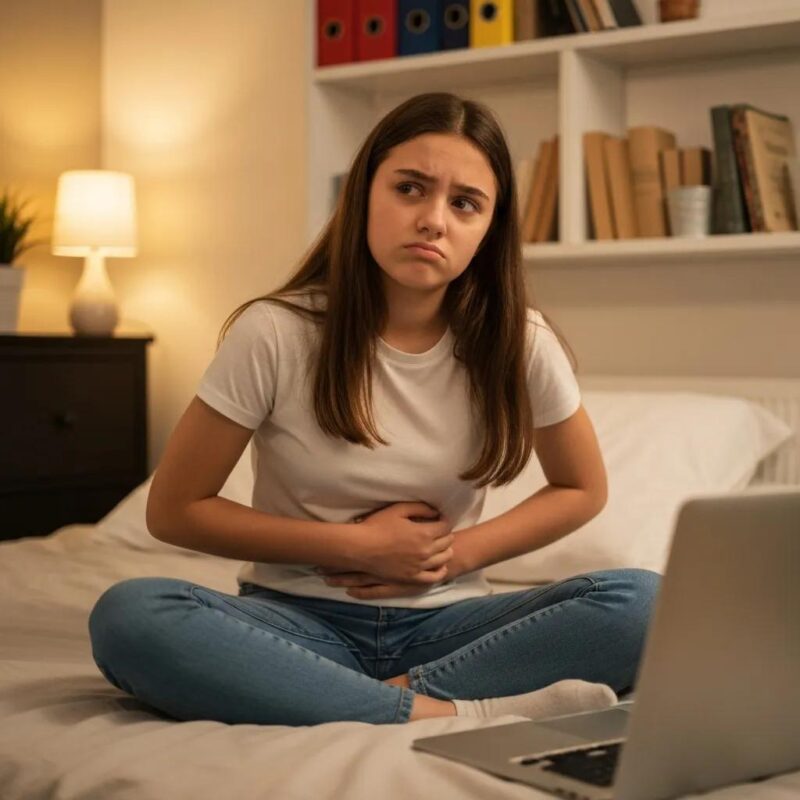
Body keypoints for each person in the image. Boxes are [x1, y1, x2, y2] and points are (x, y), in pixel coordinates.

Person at [88, 92, 661, 727]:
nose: (434, 220)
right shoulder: (274, 332)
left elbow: (582, 487)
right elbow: (175, 510)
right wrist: (357, 546)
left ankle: (346, 697)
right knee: (131, 615)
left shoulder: (521, 341)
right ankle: (432, 711)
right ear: (363, 195)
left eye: (464, 203)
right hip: (295, 620)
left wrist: (454, 556)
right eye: (410, 189)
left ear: (488, 229)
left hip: (452, 625)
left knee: (646, 601)